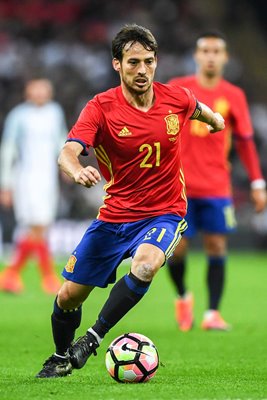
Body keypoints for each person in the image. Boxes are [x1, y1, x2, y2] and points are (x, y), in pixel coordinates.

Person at [35, 24, 225, 379]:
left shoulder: (175, 98)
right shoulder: (101, 107)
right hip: (114, 217)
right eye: (133, 62)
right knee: (68, 297)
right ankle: (61, 355)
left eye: (149, 62)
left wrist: (215, 120)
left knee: (146, 265)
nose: (142, 70)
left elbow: (199, 109)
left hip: (165, 212)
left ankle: (92, 339)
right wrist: (77, 171)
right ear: (116, 65)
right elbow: (67, 152)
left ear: (156, 63)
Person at [166, 31, 267, 332]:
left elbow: (246, 141)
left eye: (216, 51)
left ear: (225, 58)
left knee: (216, 245)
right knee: (178, 248)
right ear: (196, 56)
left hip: (216, 185)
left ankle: (212, 313)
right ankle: (183, 297)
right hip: (179, 185)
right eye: (205, 50)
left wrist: (258, 183)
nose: (210, 56)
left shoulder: (233, 94)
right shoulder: (178, 88)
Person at [0, 78, 68, 294]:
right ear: (28, 92)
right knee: (38, 227)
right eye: (36, 90)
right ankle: (47, 277)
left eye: (44, 90)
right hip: (26, 177)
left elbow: (62, 141)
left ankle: (11, 274)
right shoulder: (19, 115)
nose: (40, 93)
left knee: (40, 228)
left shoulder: (55, 112)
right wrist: (6, 184)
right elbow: (8, 150)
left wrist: (68, 167)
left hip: (48, 177)